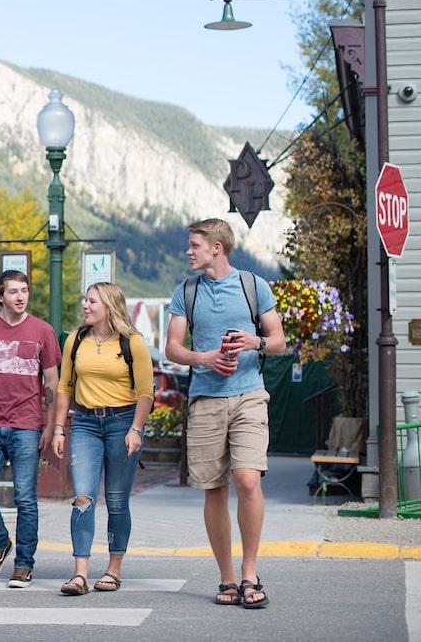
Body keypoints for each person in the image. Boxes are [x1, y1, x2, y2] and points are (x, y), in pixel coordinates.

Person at [165, 218, 285, 610]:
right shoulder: (187, 291)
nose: (189, 251)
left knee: (248, 480)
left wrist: (255, 341)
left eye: (195, 245)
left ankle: (250, 572)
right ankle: (228, 578)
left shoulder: (254, 286)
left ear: (217, 247)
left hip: (249, 394)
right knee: (215, 489)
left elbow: (279, 341)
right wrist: (206, 358)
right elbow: (172, 348)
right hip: (205, 400)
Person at [51, 282, 154, 596]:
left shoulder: (131, 342)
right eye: (85, 299)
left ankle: (113, 569)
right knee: (82, 497)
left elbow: (146, 392)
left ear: (109, 306)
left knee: (117, 500)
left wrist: (136, 429)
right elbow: (65, 387)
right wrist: (58, 428)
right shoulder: (76, 340)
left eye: (91, 301)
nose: (85, 305)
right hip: (84, 424)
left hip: (122, 423)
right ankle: (80, 573)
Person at [0, 269, 60, 588]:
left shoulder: (43, 331)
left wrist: (49, 424)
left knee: (25, 497)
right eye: (14, 292)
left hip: (26, 424)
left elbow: (52, 382)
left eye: (25, 290)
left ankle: (24, 564)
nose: (21, 297)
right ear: (0, 296)